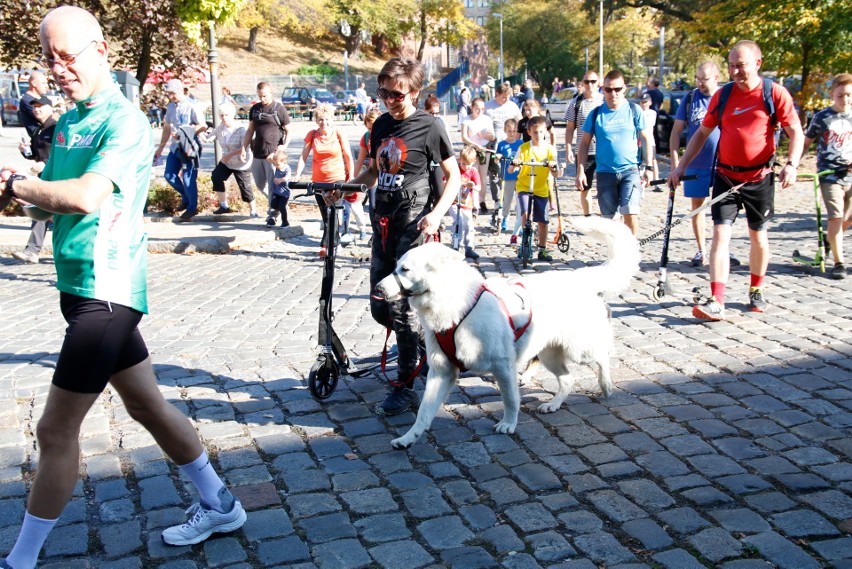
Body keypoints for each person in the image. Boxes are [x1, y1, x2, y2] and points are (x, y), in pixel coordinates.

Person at [0, 8, 246, 568]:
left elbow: (86, 196)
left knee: (55, 428)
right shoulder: (68, 123)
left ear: (101, 49)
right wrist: (14, 189)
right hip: (77, 286)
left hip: (106, 293)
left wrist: (22, 183)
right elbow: (48, 195)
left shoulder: (124, 121)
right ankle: (220, 503)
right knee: (147, 405)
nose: (58, 68)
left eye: (68, 56)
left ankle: (20, 561)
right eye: (48, 59)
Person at [333, 57, 460, 416]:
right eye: (384, 93)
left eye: (397, 95)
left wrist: (436, 215)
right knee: (379, 306)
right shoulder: (381, 126)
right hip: (383, 226)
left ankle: (405, 386)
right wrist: (343, 189)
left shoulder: (430, 126)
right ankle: (423, 342)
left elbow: (454, 177)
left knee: (400, 309)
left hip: (414, 227)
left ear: (415, 93)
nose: (389, 100)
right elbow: (373, 171)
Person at [669, 40, 803, 321]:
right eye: (731, 66)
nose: (735, 71)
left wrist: (791, 165)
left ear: (757, 63)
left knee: (758, 236)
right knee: (720, 235)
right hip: (726, 176)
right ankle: (717, 300)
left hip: (759, 178)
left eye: (740, 65)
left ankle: (756, 288)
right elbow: (701, 134)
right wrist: (680, 166)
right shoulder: (724, 95)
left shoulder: (774, 94)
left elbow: (796, 133)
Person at [670, 61, 742, 268]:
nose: (700, 83)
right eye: (698, 78)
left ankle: (722, 250)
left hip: (723, 163)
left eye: (705, 79)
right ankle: (701, 250)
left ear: (717, 78)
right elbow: (676, 131)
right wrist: (676, 161)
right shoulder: (691, 98)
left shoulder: (727, 97)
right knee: (697, 208)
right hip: (696, 163)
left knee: (724, 209)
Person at [577, 70, 654, 236]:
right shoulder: (596, 114)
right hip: (605, 173)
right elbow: (584, 144)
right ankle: (615, 256)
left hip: (630, 171)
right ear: (603, 90)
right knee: (609, 222)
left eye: (617, 89)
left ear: (624, 88)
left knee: (630, 212)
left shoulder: (634, 110)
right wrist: (581, 171)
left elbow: (647, 139)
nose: (613, 93)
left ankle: (631, 254)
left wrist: (649, 167)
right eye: (608, 89)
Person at [799, 73, 852, 280]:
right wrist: (793, 165)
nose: (845, 100)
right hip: (830, 174)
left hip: (850, 174)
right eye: (841, 95)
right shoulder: (822, 117)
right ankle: (839, 263)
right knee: (836, 216)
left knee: (847, 219)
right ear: (832, 94)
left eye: (849, 95)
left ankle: (829, 238)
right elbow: (806, 142)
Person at [294, 103, 354, 254]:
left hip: (337, 178)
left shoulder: (338, 134)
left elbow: (347, 156)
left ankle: (327, 245)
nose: (324, 122)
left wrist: (351, 176)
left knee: (332, 211)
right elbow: (303, 156)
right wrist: (297, 175)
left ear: (331, 119)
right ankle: (336, 242)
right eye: (321, 119)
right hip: (318, 180)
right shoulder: (313, 135)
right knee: (325, 214)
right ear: (316, 120)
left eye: (327, 119)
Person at [11, 95, 57, 265]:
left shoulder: (57, 127)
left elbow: (61, 152)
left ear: (50, 108)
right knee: (39, 211)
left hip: (57, 177)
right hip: (42, 178)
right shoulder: (38, 130)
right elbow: (35, 156)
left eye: (41, 106)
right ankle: (32, 251)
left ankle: (35, 251)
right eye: (35, 107)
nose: (37, 109)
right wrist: (26, 151)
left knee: (52, 214)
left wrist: (45, 163)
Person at [510, 116, 563, 261]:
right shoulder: (524, 148)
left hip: (540, 187)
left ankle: (542, 249)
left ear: (545, 131)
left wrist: (553, 167)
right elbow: (510, 169)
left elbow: (555, 172)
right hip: (524, 186)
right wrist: (515, 164)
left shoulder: (550, 149)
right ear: (528, 132)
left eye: (540, 132)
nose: (538, 135)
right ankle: (525, 239)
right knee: (525, 213)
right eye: (534, 132)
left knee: (543, 221)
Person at [153, 78, 206, 221]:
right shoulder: (170, 107)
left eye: (172, 93)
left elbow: (202, 125)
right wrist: (160, 147)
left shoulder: (192, 105)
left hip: (190, 146)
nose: (170, 96)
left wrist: (185, 132)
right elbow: (167, 127)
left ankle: (192, 208)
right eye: (168, 94)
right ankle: (186, 196)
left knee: (189, 178)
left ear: (180, 90)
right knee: (169, 175)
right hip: (175, 147)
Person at [241, 81, 292, 223]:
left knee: (272, 184)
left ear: (270, 93)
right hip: (257, 152)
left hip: (273, 154)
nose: (262, 99)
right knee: (259, 184)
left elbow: (288, 130)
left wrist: (283, 146)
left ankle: (273, 214)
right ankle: (280, 200)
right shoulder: (255, 109)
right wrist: (244, 147)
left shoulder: (279, 108)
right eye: (260, 96)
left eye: (264, 96)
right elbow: (250, 130)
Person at [204, 101, 256, 216]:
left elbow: (245, 147)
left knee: (245, 188)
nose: (224, 118)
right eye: (221, 115)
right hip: (227, 162)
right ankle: (223, 206)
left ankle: (253, 210)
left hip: (242, 162)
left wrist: (229, 155)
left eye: (226, 115)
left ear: (232, 115)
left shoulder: (241, 129)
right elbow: (208, 138)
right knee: (216, 177)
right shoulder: (220, 128)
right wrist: (201, 133)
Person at [565, 70, 604, 216]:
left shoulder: (604, 100)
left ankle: (607, 214)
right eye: (587, 81)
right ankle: (588, 216)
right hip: (583, 151)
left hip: (603, 151)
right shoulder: (576, 103)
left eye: (593, 81)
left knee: (605, 186)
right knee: (584, 186)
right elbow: (570, 128)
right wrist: (569, 148)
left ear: (598, 83)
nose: (590, 85)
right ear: (582, 83)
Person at [484, 82, 522, 211]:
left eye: (508, 97)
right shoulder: (488, 106)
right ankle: (496, 199)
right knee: (494, 174)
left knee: (508, 172)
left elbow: (519, 122)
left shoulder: (512, 106)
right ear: (497, 94)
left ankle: (508, 198)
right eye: (503, 97)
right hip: (493, 144)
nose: (506, 100)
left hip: (509, 145)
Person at [460, 97, 495, 214]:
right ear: (472, 108)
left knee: (482, 177)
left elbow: (492, 136)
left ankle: (482, 201)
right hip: (471, 151)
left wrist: (486, 135)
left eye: (482, 109)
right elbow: (464, 137)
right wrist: (475, 145)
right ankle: (471, 202)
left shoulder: (487, 119)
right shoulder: (466, 119)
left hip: (484, 150)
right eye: (477, 109)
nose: (479, 111)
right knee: (470, 176)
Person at [496, 118, 523, 235]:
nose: (512, 134)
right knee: (507, 200)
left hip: (520, 176)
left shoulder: (520, 144)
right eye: (509, 131)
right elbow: (497, 159)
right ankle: (504, 219)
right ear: (505, 131)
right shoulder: (501, 144)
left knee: (520, 201)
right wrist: (497, 157)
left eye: (514, 131)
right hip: (507, 177)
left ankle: (520, 222)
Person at [453, 145, 481, 259]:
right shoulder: (455, 169)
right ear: (460, 160)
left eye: (468, 164)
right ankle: (456, 245)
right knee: (458, 222)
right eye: (463, 163)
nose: (465, 166)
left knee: (469, 224)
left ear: (474, 162)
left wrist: (473, 185)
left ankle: (469, 247)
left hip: (467, 203)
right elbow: (444, 182)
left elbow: (479, 187)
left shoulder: (473, 171)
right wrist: (457, 183)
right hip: (454, 202)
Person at [18, 70, 50, 137]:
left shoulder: (42, 98)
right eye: (43, 83)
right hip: (39, 139)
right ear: (34, 83)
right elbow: (48, 117)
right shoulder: (27, 100)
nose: (47, 86)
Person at [268, 147, 292, 227]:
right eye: (274, 164)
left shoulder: (287, 169)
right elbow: (268, 158)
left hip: (284, 193)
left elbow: (287, 177)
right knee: (273, 204)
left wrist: (281, 180)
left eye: (277, 164)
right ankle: (275, 215)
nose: (276, 166)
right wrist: (275, 152)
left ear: (284, 162)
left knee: (282, 207)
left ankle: (285, 222)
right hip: (276, 191)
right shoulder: (277, 166)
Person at [638, 93, 659, 181]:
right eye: (642, 102)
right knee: (640, 162)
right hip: (639, 141)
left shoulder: (652, 113)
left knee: (653, 160)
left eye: (646, 102)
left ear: (650, 102)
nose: (644, 104)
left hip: (650, 141)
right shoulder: (638, 112)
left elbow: (650, 125)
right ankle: (640, 180)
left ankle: (656, 180)